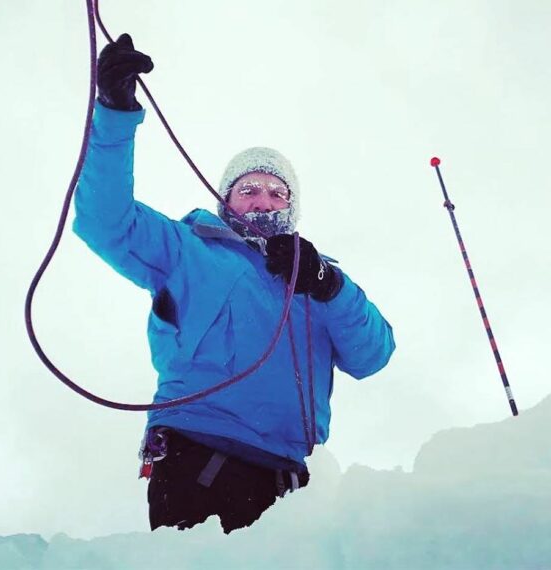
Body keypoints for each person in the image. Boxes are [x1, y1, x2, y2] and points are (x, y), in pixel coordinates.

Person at [72, 33, 396, 534]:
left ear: (292, 207)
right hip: (198, 455)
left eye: (275, 191)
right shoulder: (190, 248)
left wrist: (328, 284)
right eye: (247, 190)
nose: (263, 200)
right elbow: (104, 220)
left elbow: (372, 355)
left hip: (290, 481)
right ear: (225, 200)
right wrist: (114, 113)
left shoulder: (317, 277)